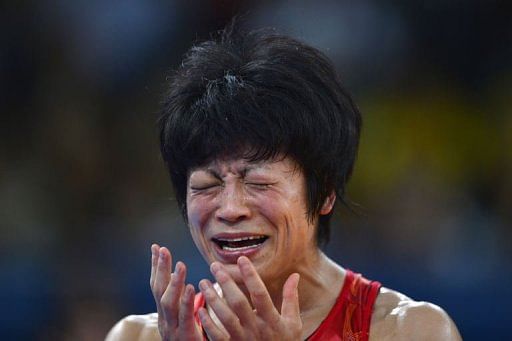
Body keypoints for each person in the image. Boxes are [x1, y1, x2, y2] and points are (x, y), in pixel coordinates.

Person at [106, 21, 462, 340]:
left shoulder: (410, 331)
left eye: (259, 182)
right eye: (207, 185)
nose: (230, 209)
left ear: (324, 192)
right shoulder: (139, 336)